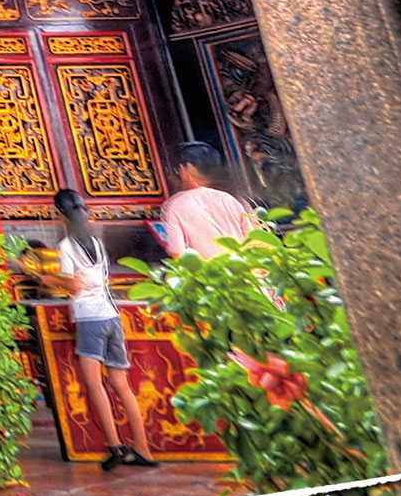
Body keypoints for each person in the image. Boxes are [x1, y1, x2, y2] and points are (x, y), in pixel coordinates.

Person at [48, 187, 157, 472]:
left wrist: (48, 279)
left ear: (60, 215)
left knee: (96, 385)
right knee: (122, 385)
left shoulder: (67, 246)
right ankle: (143, 449)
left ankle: (115, 446)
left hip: (90, 318)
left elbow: (74, 285)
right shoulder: (95, 242)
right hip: (111, 316)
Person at [155, 144, 260, 260]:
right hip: (239, 268)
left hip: (206, 271)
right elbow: (254, 241)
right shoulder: (232, 200)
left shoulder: (175, 205)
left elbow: (177, 253)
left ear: (184, 170)